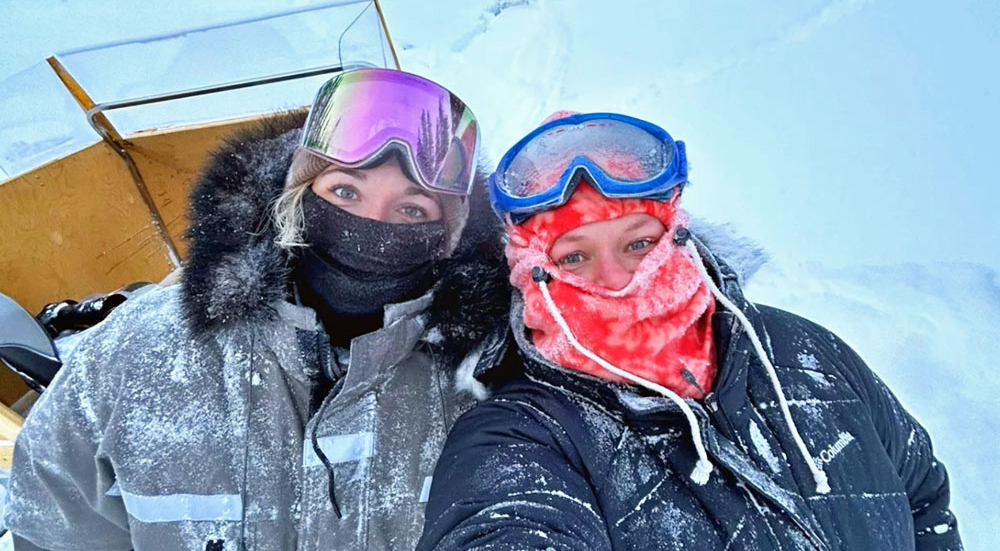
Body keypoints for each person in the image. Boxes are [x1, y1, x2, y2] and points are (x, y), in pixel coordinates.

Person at [4, 68, 511, 551]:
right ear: (296, 195)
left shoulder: (485, 381)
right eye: (345, 191)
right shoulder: (134, 354)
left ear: (449, 237)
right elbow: (55, 524)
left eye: (412, 209)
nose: (372, 227)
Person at [417, 111, 963, 550]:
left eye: (638, 243)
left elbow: (922, 495)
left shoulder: (805, 352)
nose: (617, 280)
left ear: (677, 234)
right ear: (531, 272)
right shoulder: (521, 436)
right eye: (575, 257)